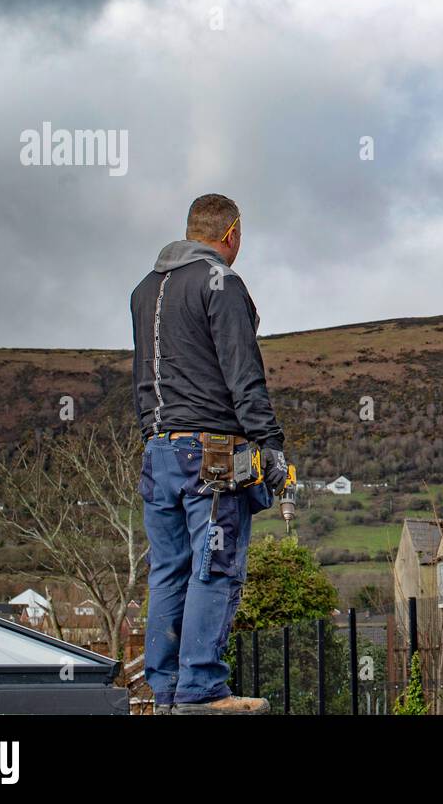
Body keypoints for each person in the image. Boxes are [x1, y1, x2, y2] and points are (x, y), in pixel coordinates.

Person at [130, 194, 292, 715]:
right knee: (215, 566)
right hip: (212, 453)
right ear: (232, 233)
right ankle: (200, 689)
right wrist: (269, 444)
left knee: (168, 570)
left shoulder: (143, 290)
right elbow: (243, 373)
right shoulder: (221, 284)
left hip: (158, 450)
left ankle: (167, 692)